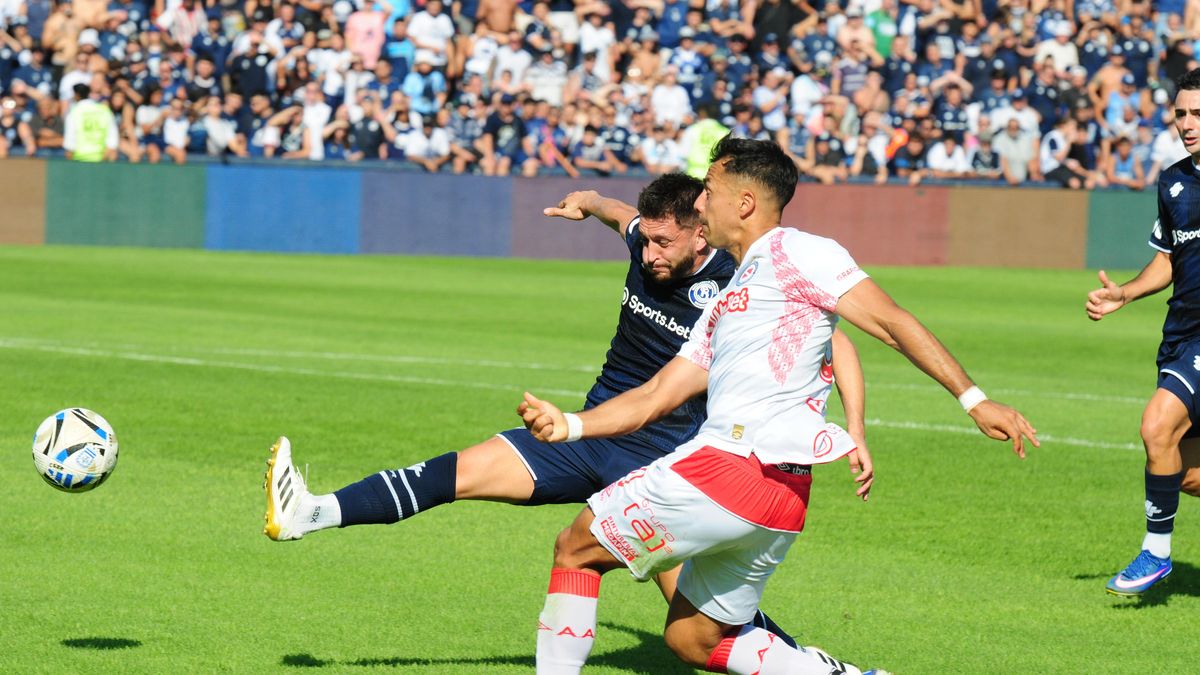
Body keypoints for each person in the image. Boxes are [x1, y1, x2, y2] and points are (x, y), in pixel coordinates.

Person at [262, 173, 874, 651]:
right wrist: (587, 200)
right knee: (456, 471)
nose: (651, 252)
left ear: (701, 234)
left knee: (701, 620)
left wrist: (853, 429)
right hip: (595, 429)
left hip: (669, 465)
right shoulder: (644, 237)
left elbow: (838, 342)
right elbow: (617, 214)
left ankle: (802, 660)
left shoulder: (743, 281)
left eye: (666, 242)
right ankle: (309, 513)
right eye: (648, 238)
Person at [520, 137, 1038, 675]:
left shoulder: (797, 251)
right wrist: (572, 425)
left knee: (575, 549)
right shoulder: (730, 294)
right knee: (691, 641)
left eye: (711, 190)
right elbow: (658, 394)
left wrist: (973, 400)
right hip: (779, 500)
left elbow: (890, 321)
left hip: (730, 467)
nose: (700, 203)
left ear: (744, 202)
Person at [1087, 67, 1200, 597]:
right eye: (1180, 113)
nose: (1187, 123)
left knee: (1157, 426)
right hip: (1181, 333)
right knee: (1187, 473)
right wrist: (1126, 293)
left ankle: (1155, 555)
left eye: (1198, 113)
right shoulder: (1173, 180)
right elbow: (1168, 260)